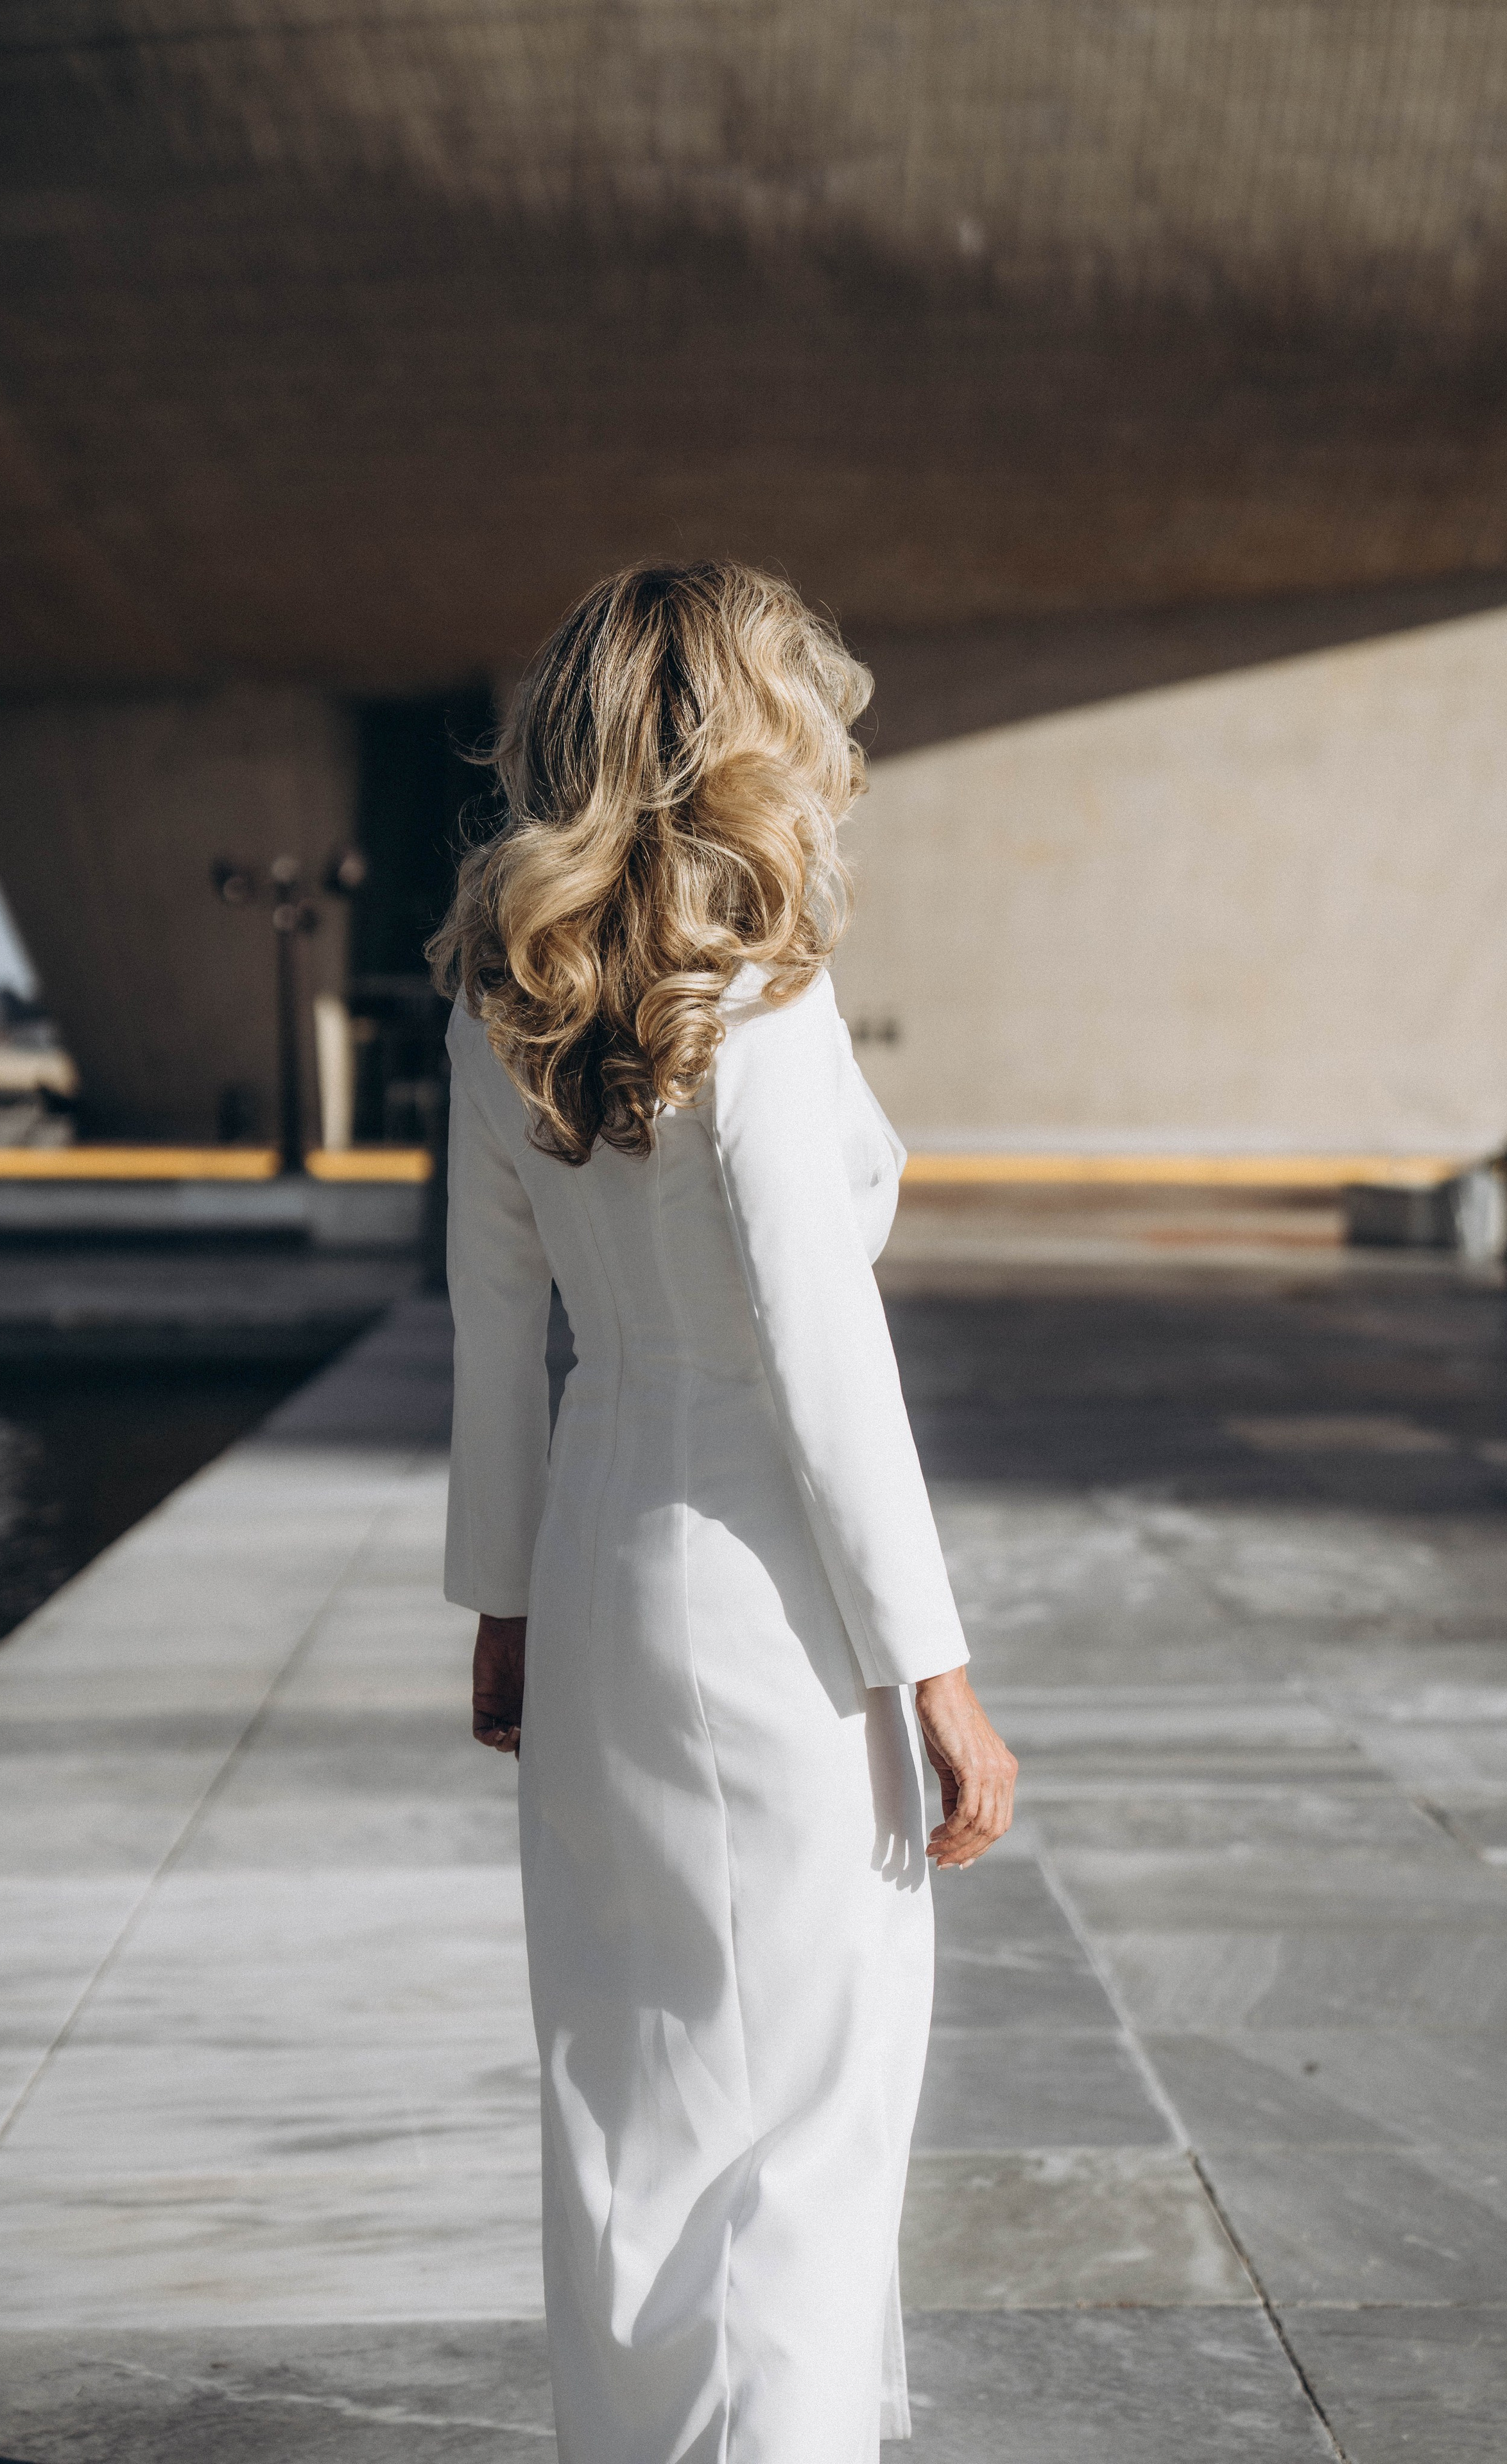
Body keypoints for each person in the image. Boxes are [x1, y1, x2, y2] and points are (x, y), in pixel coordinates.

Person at [429, 561, 1017, 2464]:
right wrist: (932, 1669)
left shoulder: (503, 995)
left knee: (632, 2091)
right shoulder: (755, 989)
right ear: (733, 738)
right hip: (761, 1585)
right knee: (811, 2109)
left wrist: (507, 1603)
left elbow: (496, 1321)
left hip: (606, 1551)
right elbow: (820, 1355)